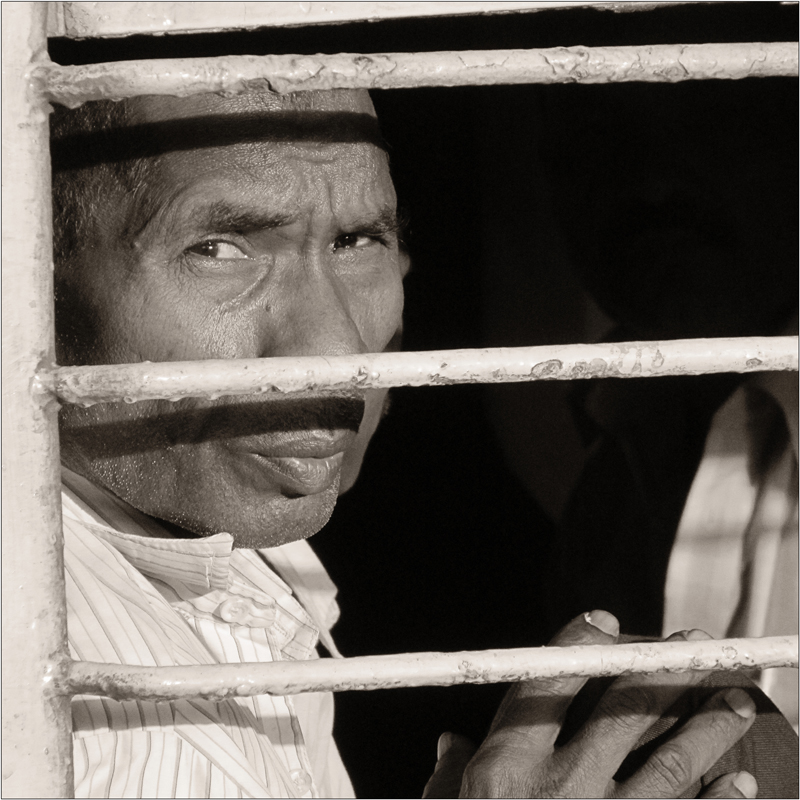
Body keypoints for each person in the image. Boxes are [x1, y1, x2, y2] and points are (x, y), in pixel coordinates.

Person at [51, 88, 796, 798]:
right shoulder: (42, 647)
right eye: (219, 248)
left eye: (358, 239)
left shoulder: (254, 594)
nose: (337, 346)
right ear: (32, 284)